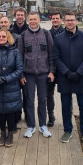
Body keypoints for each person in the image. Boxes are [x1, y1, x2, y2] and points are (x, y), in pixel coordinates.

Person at [53, 11, 83, 145]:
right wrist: (67, 72)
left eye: (72, 20)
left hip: (81, 77)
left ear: (76, 21)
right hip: (65, 77)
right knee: (65, 106)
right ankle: (67, 130)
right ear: (64, 21)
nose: (70, 22)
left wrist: (79, 72)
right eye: (67, 20)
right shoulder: (58, 38)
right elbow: (56, 58)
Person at [18, 11, 55, 139]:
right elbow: (19, 56)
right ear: (28, 20)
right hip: (28, 74)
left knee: (42, 100)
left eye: (35, 19)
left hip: (43, 73)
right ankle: (31, 125)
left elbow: (51, 54)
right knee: (29, 100)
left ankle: (43, 125)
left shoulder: (46, 34)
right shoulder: (23, 35)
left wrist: (51, 71)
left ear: (39, 20)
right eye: (31, 19)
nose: (33, 21)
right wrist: (21, 74)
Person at [47, 11, 65, 127]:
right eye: (53, 18)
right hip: (50, 68)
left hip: (63, 68)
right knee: (49, 94)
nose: (55, 20)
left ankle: (66, 116)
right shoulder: (47, 33)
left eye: (57, 18)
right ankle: (51, 115)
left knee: (65, 94)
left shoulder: (65, 33)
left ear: (61, 20)